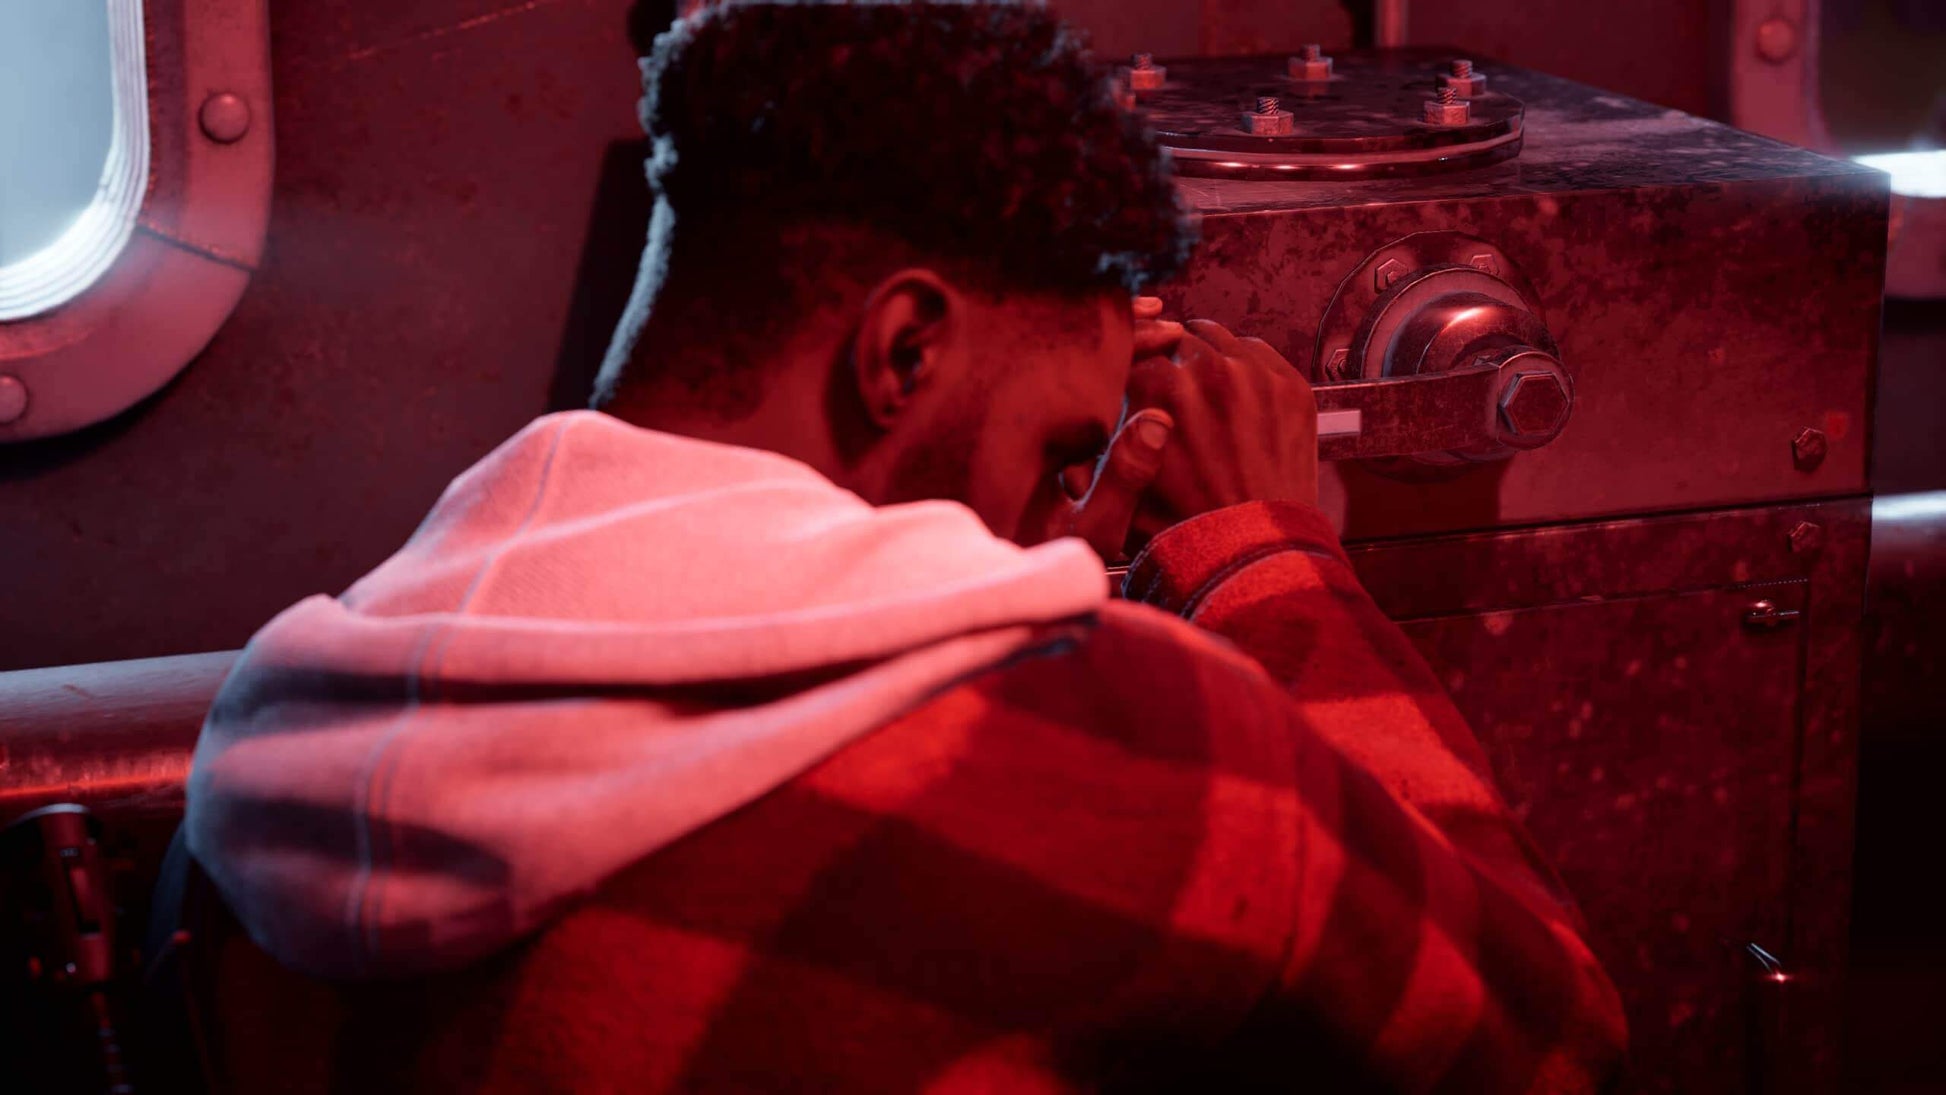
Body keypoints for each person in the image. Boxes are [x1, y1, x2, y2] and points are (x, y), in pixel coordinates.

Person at [178, 3, 1627, 1091]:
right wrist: (1266, 562)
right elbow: (1552, 1042)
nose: (1054, 522)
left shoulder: (270, 759)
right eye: (1055, 453)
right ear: (904, 350)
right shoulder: (1133, 750)